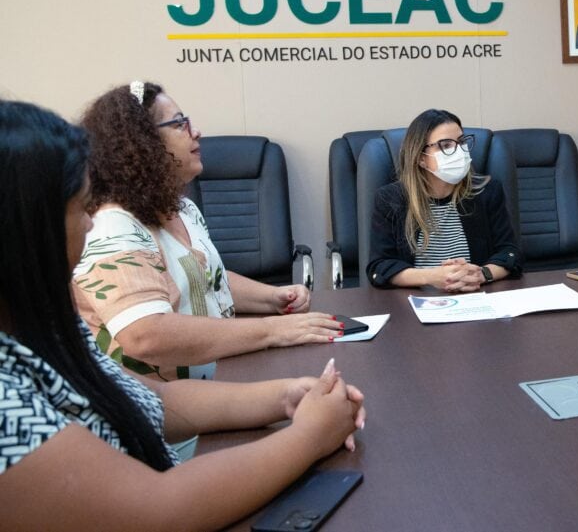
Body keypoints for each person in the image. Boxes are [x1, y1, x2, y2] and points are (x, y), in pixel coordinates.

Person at [0, 100, 365, 530]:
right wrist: (307, 437)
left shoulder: (42, 329)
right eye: (81, 209)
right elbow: (155, 510)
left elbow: (152, 401)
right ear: (25, 226)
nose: (91, 225)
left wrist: (287, 396)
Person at [72, 82, 343, 384]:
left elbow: (206, 279)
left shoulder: (182, 209)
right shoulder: (113, 226)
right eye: (179, 124)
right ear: (140, 143)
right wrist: (273, 331)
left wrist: (273, 297)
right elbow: (146, 335)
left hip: (219, 379)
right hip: (161, 412)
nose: (196, 131)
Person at [366, 109, 522, 291]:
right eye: (446, 145)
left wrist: (481, 274)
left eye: (462, 142)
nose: (459, 151)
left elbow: (510, 253)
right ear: (421, 158)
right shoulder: (391, 199)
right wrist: (432, 276)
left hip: (475, 298)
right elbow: (380, 267)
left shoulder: (486, 192)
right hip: (416, 303)